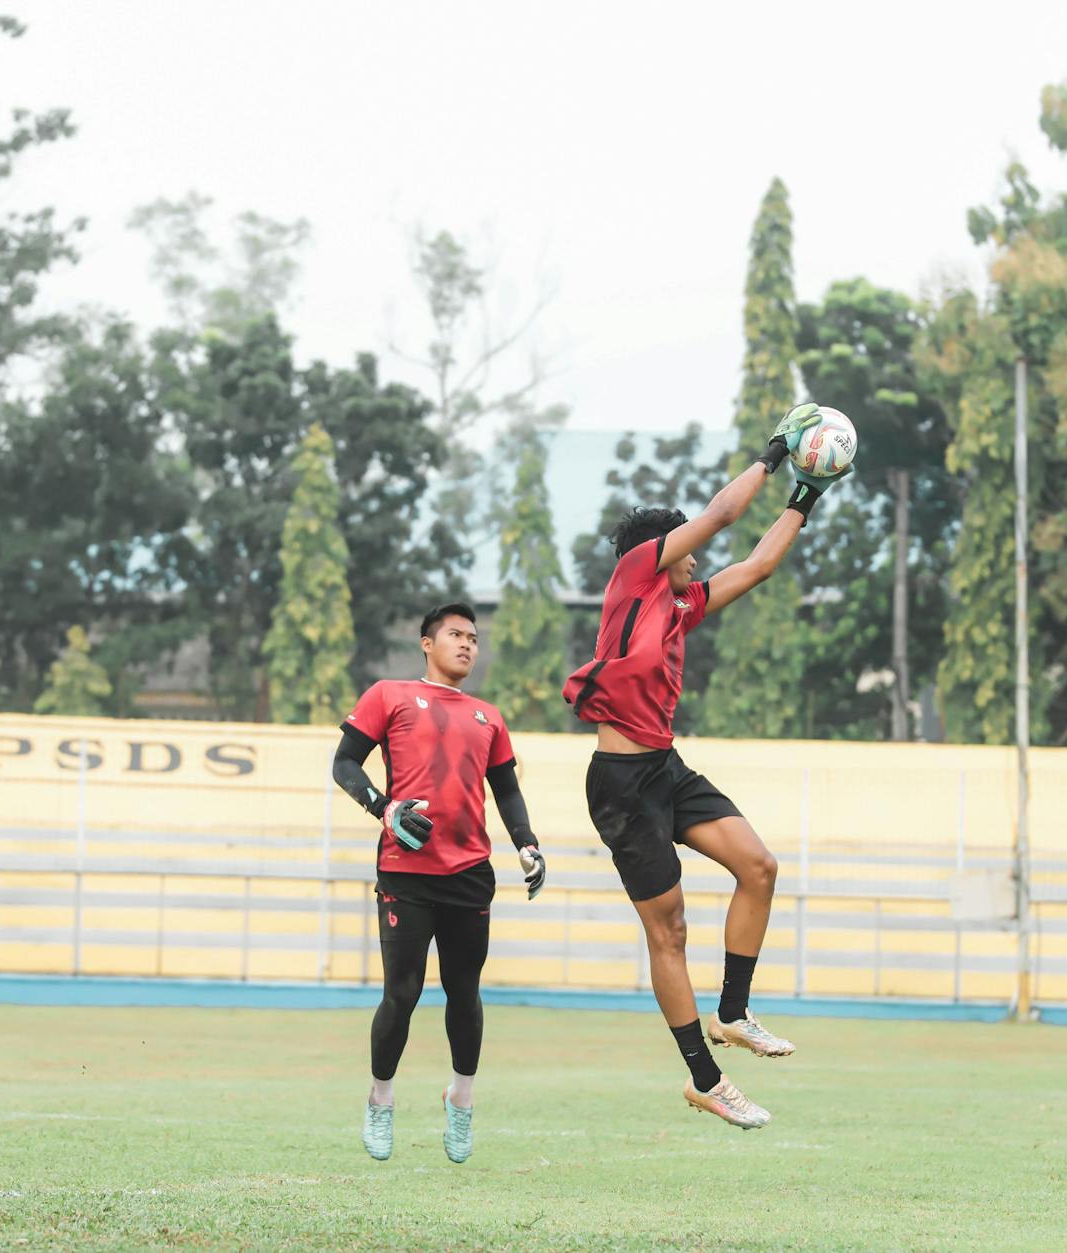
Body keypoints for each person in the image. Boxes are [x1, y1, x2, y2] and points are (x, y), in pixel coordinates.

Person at [562, 403, 840, 1130]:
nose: (695, 552)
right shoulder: (633, 573)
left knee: (759, 866)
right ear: (660, 546)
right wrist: (777, 451)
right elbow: (721, 516)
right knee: (671, 932)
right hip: (620, 786)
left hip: (666, 769)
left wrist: (806, 493)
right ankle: (706, 1078)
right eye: (682, 540)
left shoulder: (680, 605)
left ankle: (734, 1011)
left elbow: (758, 562)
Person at [333, 602, 546, 1165]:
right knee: (401, 994)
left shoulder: (488, 716)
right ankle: (380, 1100)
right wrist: (384, 808)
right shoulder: (389, 695)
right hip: (406, 870)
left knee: (464, 992)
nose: (467, 645)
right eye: (455, 634)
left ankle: (463, 1099)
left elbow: (506, 790)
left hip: (471, 873)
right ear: (426, 643)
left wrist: (527, 842)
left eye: (473, 638)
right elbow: (344, 764)